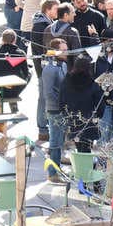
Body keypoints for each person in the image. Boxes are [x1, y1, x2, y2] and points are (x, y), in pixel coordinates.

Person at [59, 56, 104, 152]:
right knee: (87, 146)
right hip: (88, 120)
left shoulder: (66, 82)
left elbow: (61, 100)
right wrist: (99, 115)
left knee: (79, 146)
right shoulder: (92, 83)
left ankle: (81, 164)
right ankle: (86, 165)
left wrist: (65, 114)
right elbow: (99, 102)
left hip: (73, 119)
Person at [42, 38, 68, 183]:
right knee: (55, 141)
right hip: (55, 109)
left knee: (59, 141)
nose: (66, 52)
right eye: (63, 50)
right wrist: (60, 104)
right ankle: (53, 173)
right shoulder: (50, 68)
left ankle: (56, 169)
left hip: (62, 108)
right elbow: (49, 92)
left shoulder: (62, 65)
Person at [0, 29, 31, 106]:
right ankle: (13, 104)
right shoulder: (20, 53)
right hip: (14, 90)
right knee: (30, 73)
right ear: (14, 40)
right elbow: (25, 73)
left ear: (2, 39)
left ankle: (1, 106)